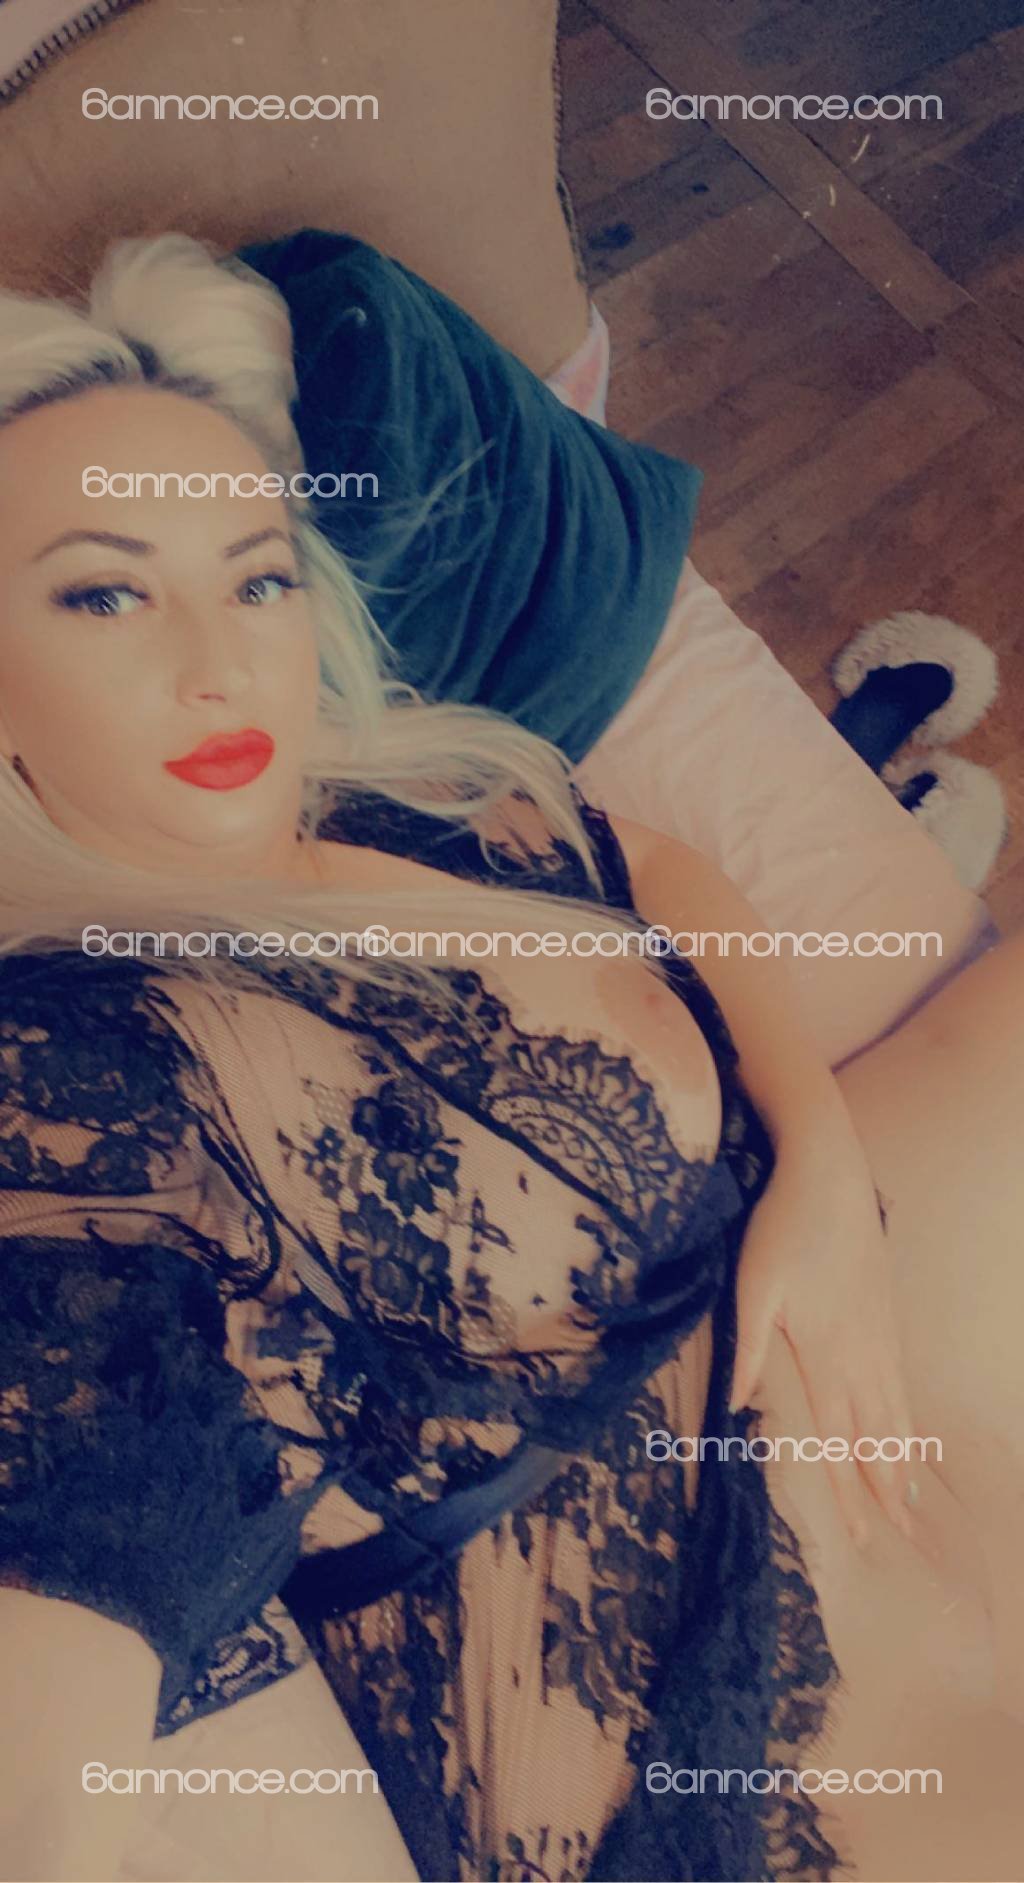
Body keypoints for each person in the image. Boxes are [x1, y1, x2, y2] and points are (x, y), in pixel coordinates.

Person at [0, 236, 1021, 1883]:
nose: (221, 661)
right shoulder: (82, 1053)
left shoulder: (414, 791)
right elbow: (68, 1611)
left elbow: (661, 876)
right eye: (104, 592)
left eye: (256, 576)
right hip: (726, 1751)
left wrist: (816, 1161)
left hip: (886, 1432)